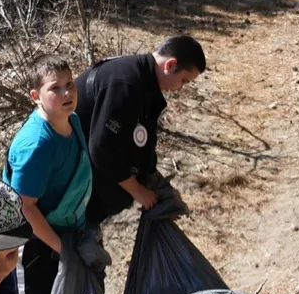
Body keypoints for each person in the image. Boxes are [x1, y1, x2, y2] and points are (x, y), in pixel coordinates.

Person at [75, 34, 207, 227]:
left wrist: (155, 186)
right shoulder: (124, 82)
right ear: (170, 65)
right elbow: (102, 149)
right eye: (184, 81)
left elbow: (142, 142)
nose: (181, 88)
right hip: (70, 190)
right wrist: (137, 190)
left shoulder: (145, 82)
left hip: (88, 186)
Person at [5, 55, 94, 294]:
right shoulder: (36, 145)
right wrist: (64, 251)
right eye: (55, 88)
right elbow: (25, 207)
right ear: (36, 96)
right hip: (38, 246)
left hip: (68, 233)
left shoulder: (72, 120)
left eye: (70, 84)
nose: (67, 92)